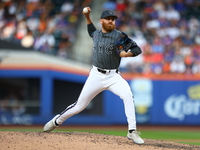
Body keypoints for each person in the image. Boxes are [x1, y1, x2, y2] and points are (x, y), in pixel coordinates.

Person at [43, 7, 144, 145]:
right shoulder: (96, 34)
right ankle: (56, 121)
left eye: (113, 19)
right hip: (96, 75)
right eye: (108, 19)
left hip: (113, 76)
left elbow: (137, 49)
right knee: (79, 106)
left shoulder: (119, 36)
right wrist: (87, 17)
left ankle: (132, 131)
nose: (111, 21)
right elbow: (90, 30)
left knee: (127, 94)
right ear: (101, 21)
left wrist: (125, 54)